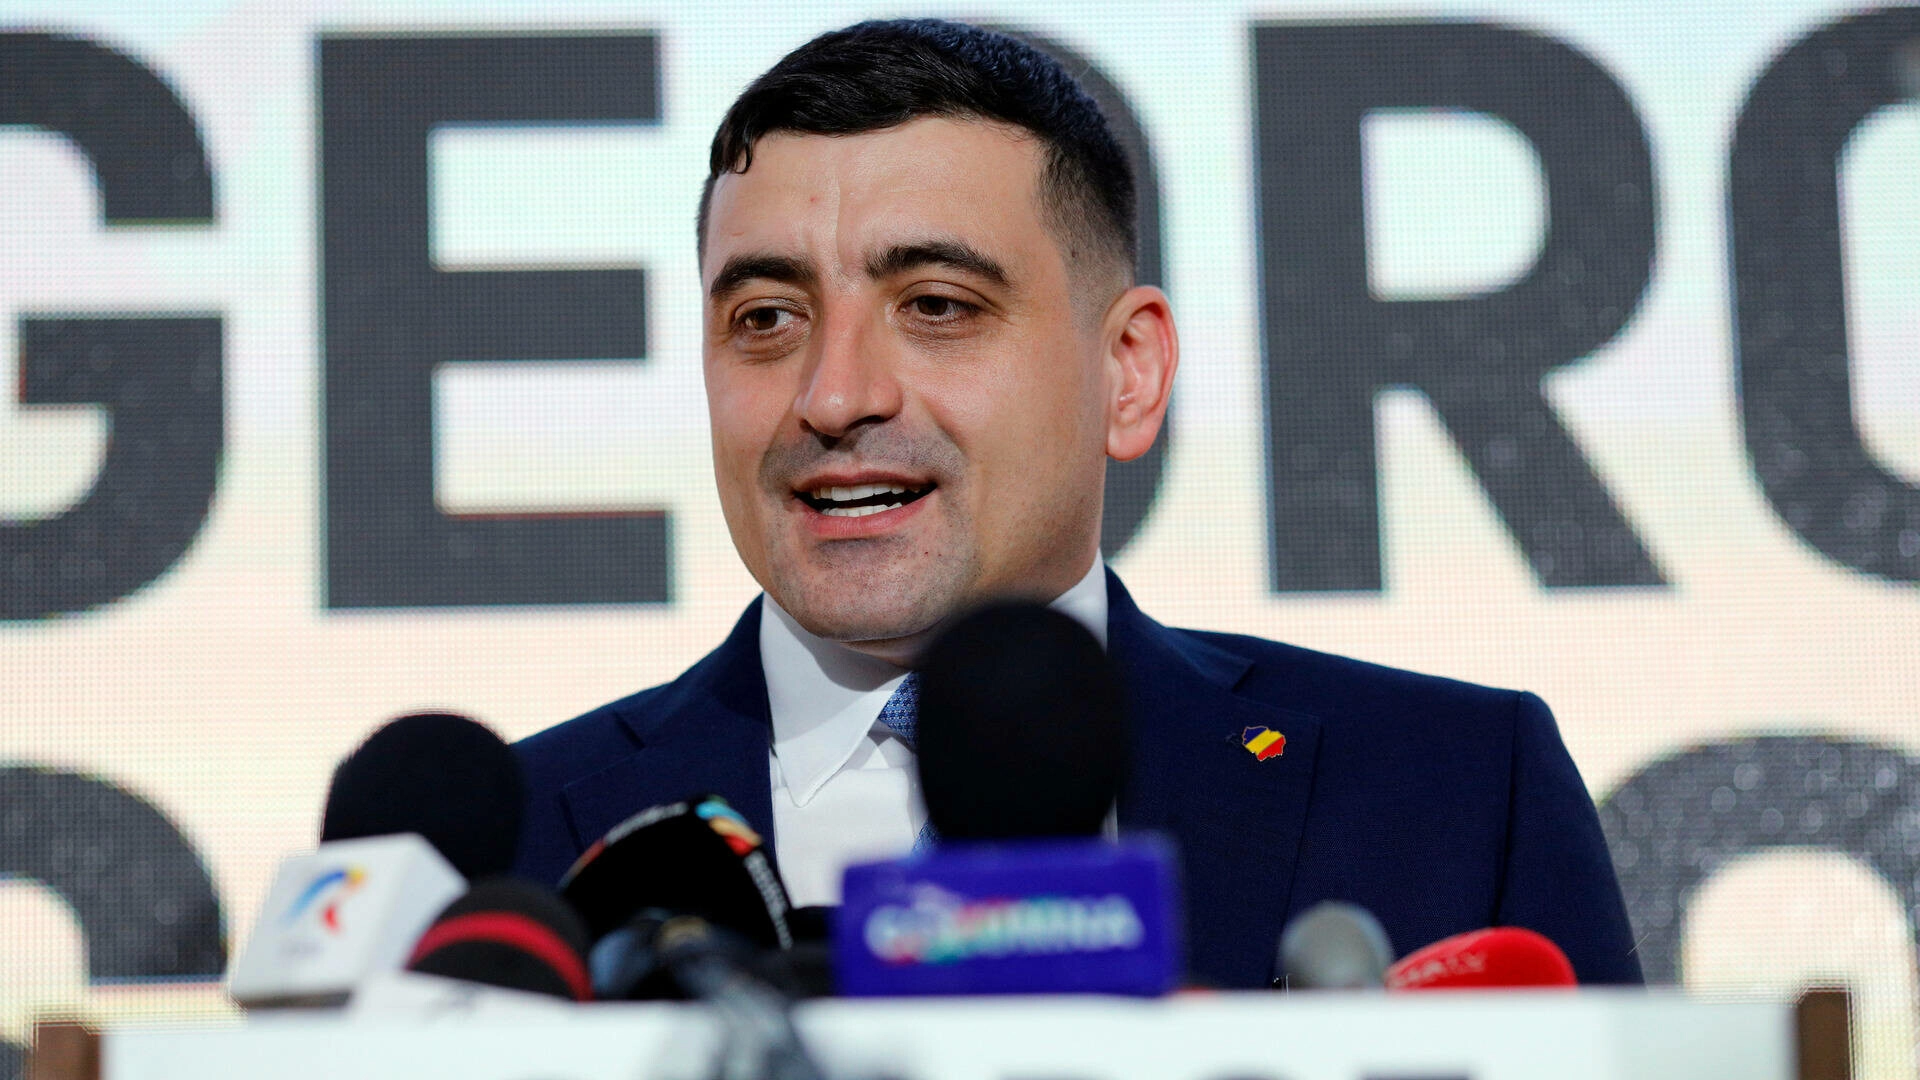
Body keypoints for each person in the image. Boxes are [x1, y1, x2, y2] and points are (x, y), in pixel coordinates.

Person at [513, 18, 1641, 988]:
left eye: (937, 305)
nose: (836, 396)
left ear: (1128, 372)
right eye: (765, 318)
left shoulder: (1454, 790)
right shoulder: (509, 857)